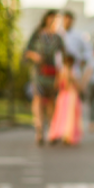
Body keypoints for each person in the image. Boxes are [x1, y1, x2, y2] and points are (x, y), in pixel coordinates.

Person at [25, 10, 65, 146]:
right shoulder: (37, 35)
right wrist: (35, 56)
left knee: (51, 102)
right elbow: (26, 51)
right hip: (39, 72)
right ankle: (39, 130)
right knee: (38, 99)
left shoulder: (58, 38)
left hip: (54, 74)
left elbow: (64, 57)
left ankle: (52, 131)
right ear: (47, 19)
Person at [48, 54, 84, 146]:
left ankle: (64, 134)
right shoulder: (68, 72)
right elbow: (65, 85)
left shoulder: (67, 72)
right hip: (68, 96)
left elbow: (57, 85)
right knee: (65, 116)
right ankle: (64, 134)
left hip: (66, 96)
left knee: (64, 116)